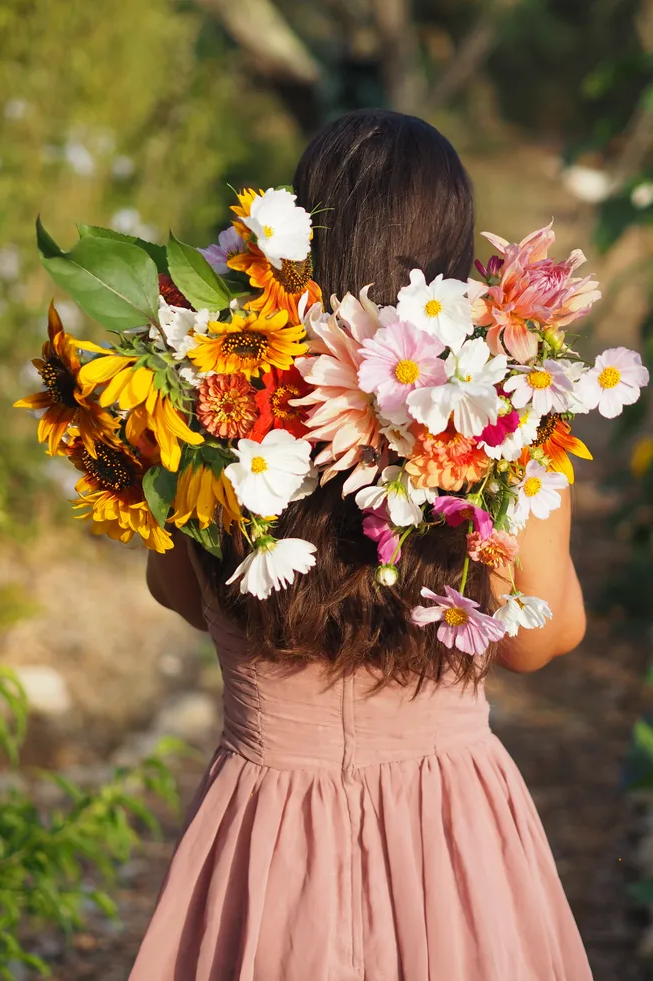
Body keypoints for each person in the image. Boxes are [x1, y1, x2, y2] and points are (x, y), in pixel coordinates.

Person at [129, 110, 592, 981]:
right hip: (449, 827)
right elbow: (540, 639)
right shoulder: (504, 420)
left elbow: (179, 592)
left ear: (297, 235)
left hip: (265, 828)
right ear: (453, 254)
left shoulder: (210, 401)